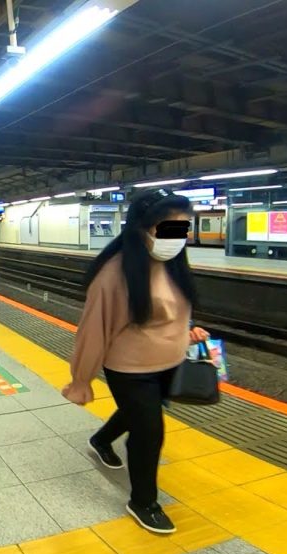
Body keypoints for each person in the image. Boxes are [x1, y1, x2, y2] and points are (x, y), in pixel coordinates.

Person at [61, 188, 209, 535]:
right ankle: (143, 501)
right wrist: (81, 379)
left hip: (170, 362)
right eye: (170, 228)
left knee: (138, 413)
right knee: (149, 431)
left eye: (183, 228)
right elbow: (94, 331)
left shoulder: (173, 263)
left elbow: (171, 311)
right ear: (143, 228)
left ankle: (100, 441)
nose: (179, 236)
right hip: (130, 368)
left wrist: (188, 334)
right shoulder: (114, 274)